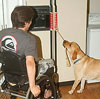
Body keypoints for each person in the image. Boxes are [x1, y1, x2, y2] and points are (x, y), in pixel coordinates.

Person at [0, 6, 40, 97]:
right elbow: (30, 62)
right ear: (26, 23)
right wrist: (33, 86)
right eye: (30, 20)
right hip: (24, 79)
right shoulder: (29, 39)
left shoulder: (2, 33)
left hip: (8, 76)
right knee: (49, 67)